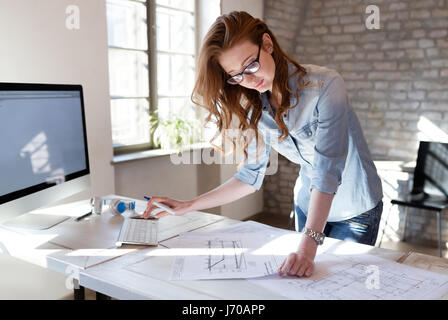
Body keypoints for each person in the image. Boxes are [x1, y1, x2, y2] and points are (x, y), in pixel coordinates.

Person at [142, 11, 383, 278]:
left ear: (267, 44)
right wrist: (188, 205)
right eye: (236, 75)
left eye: (251, 65)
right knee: (304, 285)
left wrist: (307, 246)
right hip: (307, 204)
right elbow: (249, 177)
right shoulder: (254, 106)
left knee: (345, 287)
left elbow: (327, 170)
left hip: (355, 208)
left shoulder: (326, 86)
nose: (248, 79)